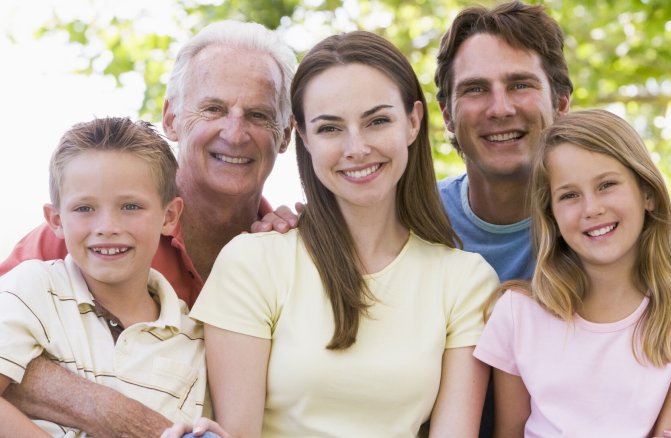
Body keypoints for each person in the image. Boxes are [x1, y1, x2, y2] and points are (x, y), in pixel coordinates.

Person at [170, 31, 498, 437]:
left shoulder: (465, 280)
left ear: (413, 122)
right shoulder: (253, 262)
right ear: (303, 138)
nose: (356, 148)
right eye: (330, 128)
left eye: (377, 121)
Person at [0, 20, 297, 438]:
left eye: (259, 115)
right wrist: (127, 419)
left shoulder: (289, 258)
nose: (234, 132)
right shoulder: (69, 244)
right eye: (212, 108)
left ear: (285, 136)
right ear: (172, 119)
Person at [473, 109, 671, 437]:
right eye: (569, 195)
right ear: (552, 216)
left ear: (648, 194)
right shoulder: (517, 313)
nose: (592, 209)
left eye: (607, 185)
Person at [0, 117, 205, 436]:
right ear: (55, 219)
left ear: (169, 217)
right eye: (84, 208)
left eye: (131, 206)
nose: (107, 226)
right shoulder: (32, 290)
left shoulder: (193, 338)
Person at [434, 0, 572, 283]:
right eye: (475, 89)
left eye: (520, 85)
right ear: (447, 115)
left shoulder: (611, 219)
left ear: (560, 104)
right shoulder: (409, 222)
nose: (500, 109)